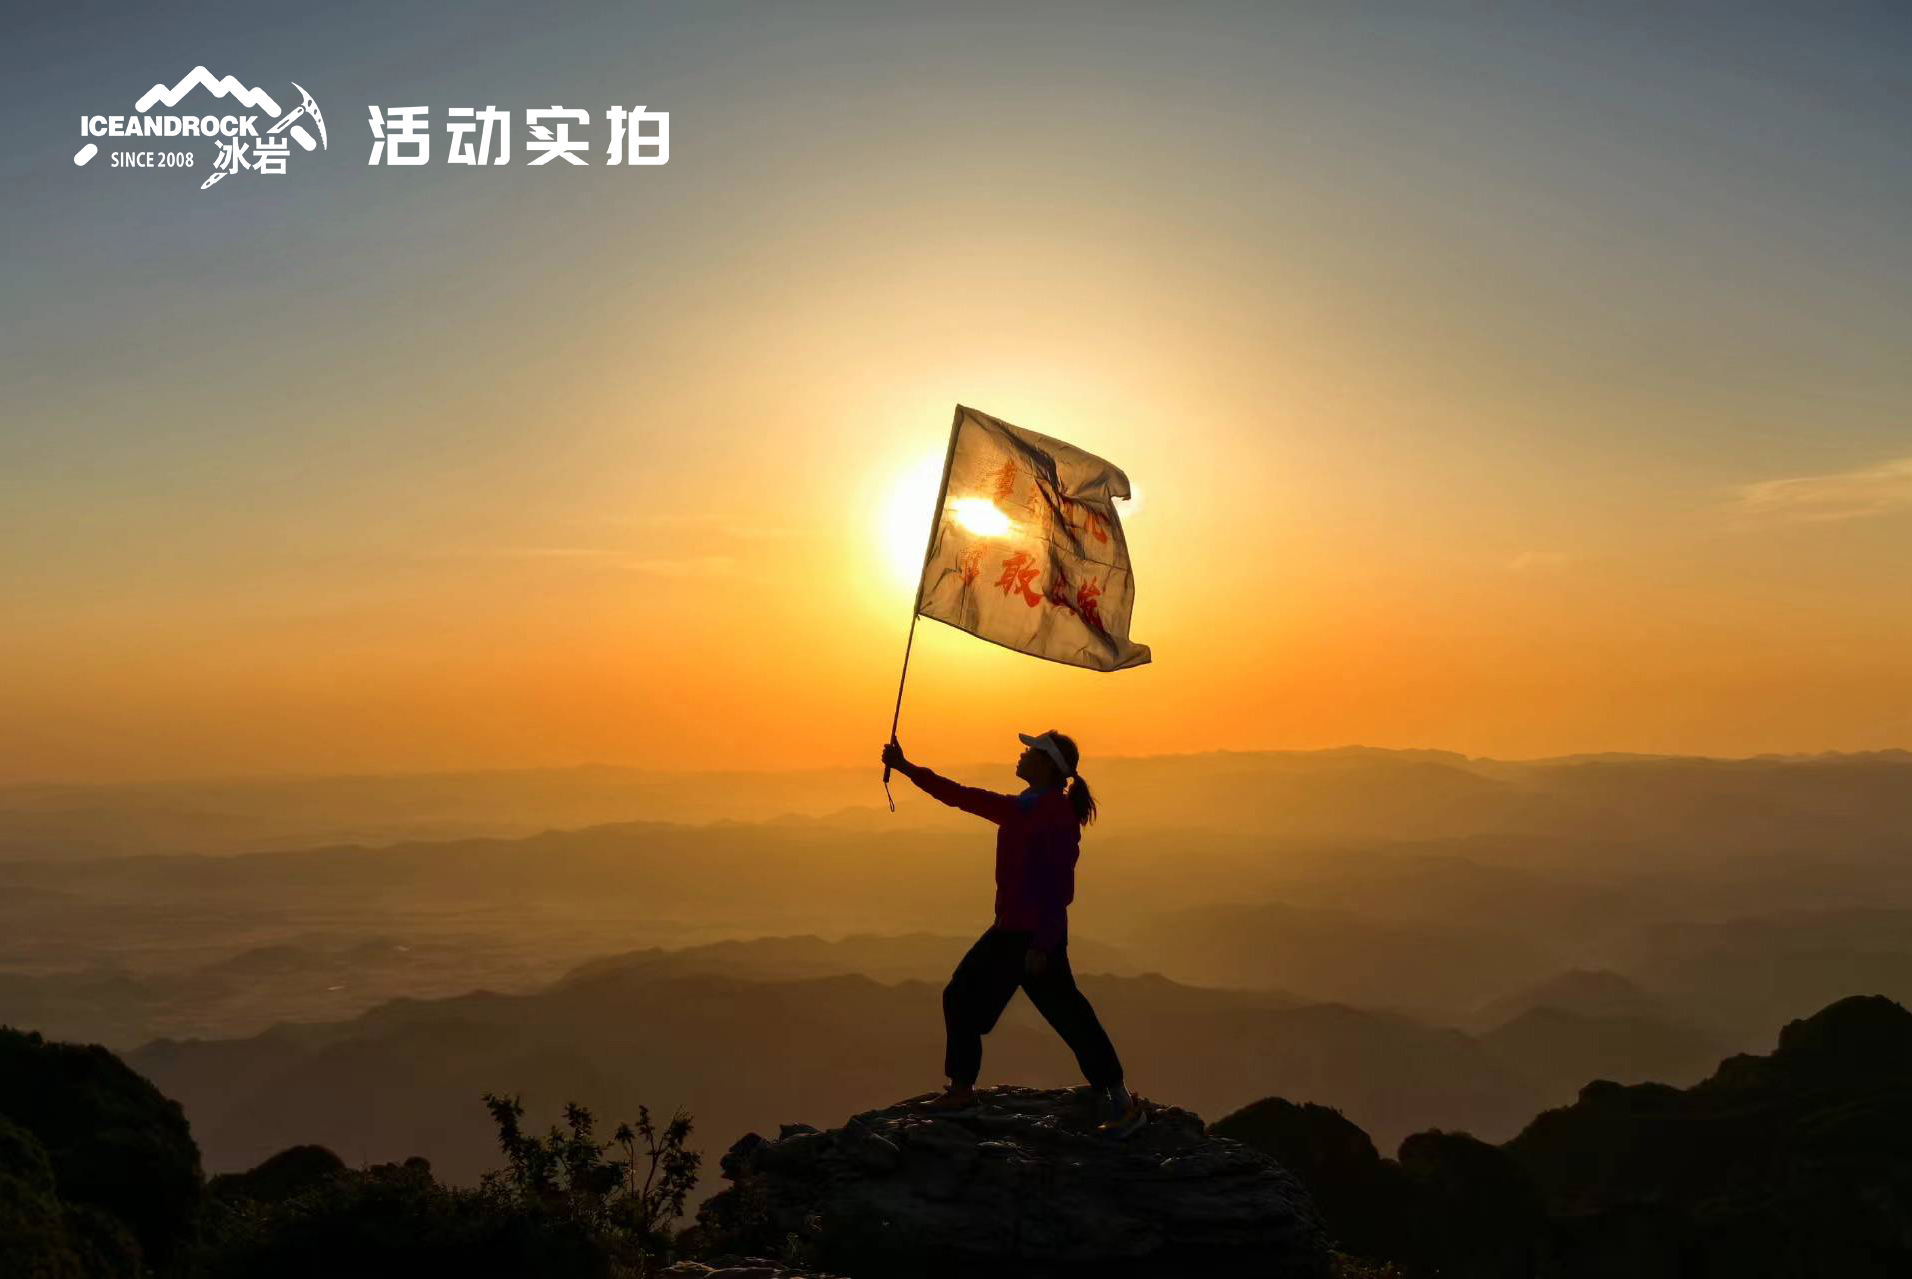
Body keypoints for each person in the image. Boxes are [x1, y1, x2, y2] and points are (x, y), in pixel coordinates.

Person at [880, 730, 1146, 1137]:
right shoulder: (1028, 806)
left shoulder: (1050, 814)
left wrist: (1041, 944)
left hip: (1026, 935)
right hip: (1020, 932)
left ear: (1048, 765)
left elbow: (1058, 888)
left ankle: (963, 1092)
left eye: (1032, 751)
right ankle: (1119, 1100)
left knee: (966, 996)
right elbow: (962, 796)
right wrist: (905, 767)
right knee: (1068, 1016)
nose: (1023, 754)